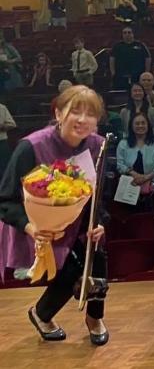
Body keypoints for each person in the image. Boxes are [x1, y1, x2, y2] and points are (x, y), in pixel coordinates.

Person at [0, 86, 109, 345]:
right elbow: (5, 200)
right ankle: (42, 314)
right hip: (34, 226)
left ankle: (94, 318)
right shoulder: (31, 147)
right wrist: (31, 227)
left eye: (90, 114)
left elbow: (98, 193)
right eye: (75, 112)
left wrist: (100, 222)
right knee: (73, 268)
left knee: (97, 258)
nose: (83, 120)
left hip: (79, 222)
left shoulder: (99, 145)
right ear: (59, 113)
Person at [116, 112, 154, 204]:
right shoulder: (123, 144)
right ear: (131, 126)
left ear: (148, 125)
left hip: (152, 180)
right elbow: (120, 165)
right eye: (137, 123)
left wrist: (146, 177)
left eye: (143, 123)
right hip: (130, 180)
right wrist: (133, 174)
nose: (140, 126)